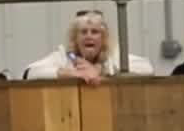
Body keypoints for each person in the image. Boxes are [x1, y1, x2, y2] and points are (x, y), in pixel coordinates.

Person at [21, 9, 154, 83]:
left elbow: (147, 68)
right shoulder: (64, 55)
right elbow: (29, 72)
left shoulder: (113, 55)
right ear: (75, 38)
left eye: (95, 32)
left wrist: (101, 70)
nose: (89, 36)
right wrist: (71, 73)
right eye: (83, 32)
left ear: (103, 38)